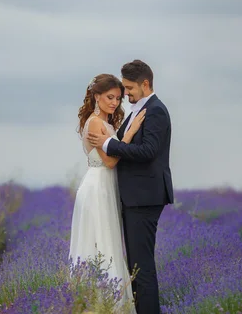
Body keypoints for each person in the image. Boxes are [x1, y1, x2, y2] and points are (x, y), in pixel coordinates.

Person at [87, 60, 174, 314]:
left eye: (128, 88)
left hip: (144, 198)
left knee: (142, 267)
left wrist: (108, 144)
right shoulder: (139, 110)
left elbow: (148, 151)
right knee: (136, 266)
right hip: (134, 198)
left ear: (145, 84)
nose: (125, 95)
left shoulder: (156, 110)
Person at [69, 73, 146, 313]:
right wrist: (130, 133)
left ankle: (108, 304)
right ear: (96, 96)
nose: (114, 103)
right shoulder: (95, 123)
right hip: (97, 189)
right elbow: (110, 162)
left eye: (118, 98)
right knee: (101, 245)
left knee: (108, 243)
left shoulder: (108, 124)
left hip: (105, 188)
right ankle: (101, 306)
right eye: (110, 97)